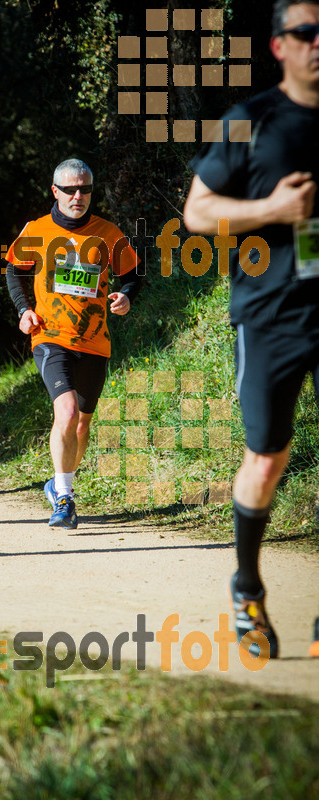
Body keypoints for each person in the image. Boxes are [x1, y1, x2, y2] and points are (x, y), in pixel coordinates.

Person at [184, 0, 319, 658]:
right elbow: (197, 211)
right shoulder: (250, 119)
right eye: (305, 33)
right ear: (278, 47)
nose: (317, 44)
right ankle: (246, 585)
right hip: (269, 314)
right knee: (266, 457)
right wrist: (274, 207)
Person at [5, 158, 140, 529]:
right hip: (49, 337)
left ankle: (57, 482)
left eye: (84, 190)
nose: (77, 196)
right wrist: (23, 310)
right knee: (64, 413)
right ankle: (65, 498)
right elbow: (14, 271)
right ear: (55, 192)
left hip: (95, 341)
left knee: (81, 425)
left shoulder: (108, 233)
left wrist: (126, 296)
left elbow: (131, 276)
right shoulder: (38, 230)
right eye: (70, 189)